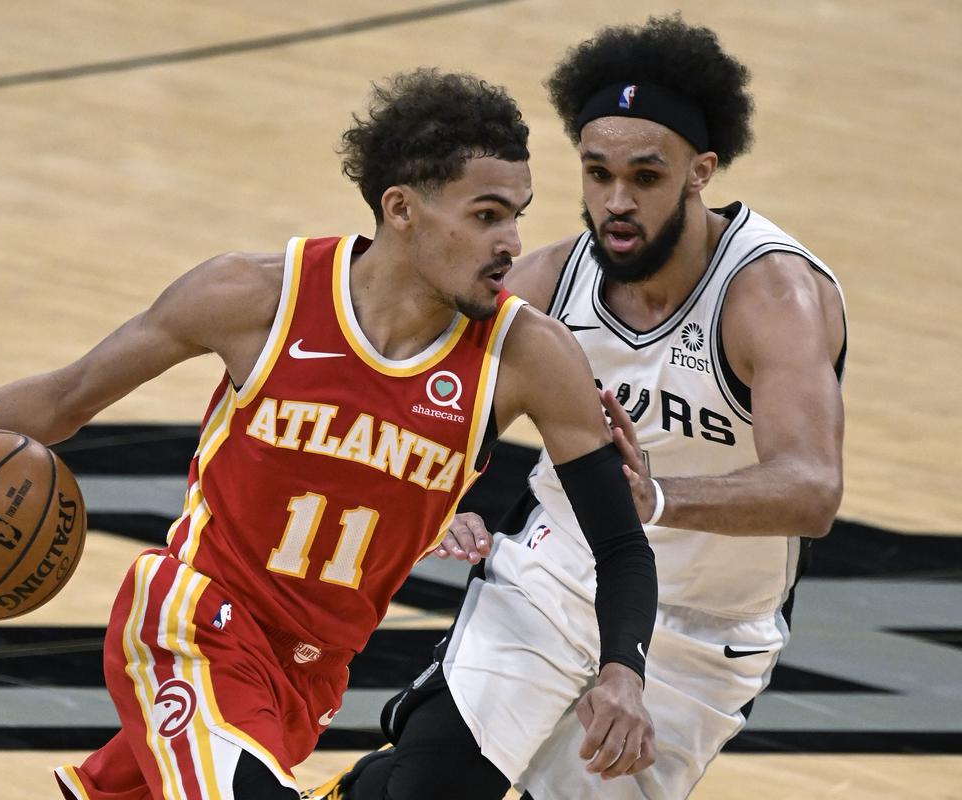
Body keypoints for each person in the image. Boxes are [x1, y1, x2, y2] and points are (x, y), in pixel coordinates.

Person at [0, 69, 659, 800]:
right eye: (486, 216)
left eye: (517, 217)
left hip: (305, 685)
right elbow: (69, 395)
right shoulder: (256, 296)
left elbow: (620, 546)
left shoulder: (528, 358)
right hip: (191, 626)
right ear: (401, 208)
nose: (511, 245)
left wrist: (623, 669)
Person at [311, 14, 847, 800]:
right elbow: (435, 408)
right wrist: (444, 495)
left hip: (703, 633)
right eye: (598, 174)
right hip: (555, 574)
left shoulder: (770, 294)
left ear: (701, 171)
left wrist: (656, 497)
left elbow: (811, 489)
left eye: (646, 177)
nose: (616, 201)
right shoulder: (549, 284)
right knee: (429, 785)